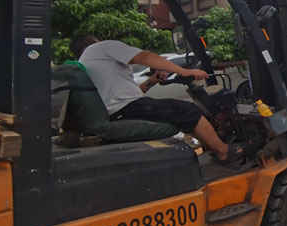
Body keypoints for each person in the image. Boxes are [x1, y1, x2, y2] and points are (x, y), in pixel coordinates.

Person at [70, 34, 242, 163]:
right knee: (189, 110)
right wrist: (185, 72)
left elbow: (126, 94)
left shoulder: (86, 62)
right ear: (95, 41)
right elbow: (144, 57)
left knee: (174, 110)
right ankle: (223, 151)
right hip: (125, 109)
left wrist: (151, 81)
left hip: (120, 111)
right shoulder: (102, 47)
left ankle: (212, 146)